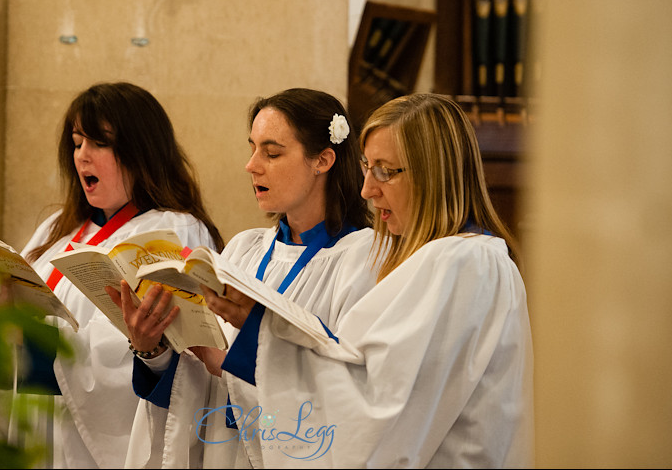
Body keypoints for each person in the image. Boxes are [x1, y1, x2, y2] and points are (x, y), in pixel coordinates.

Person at [203, 93, 534, 467]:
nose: (367, 190)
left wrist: (260, 335)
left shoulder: (462, 262)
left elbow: (372, 408)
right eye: (366, 168)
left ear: (431, 173)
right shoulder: (446, 259)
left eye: (385, 171)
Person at [0, 82, 223, 469]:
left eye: (99, 143)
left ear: (141, 151)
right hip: (36, 433)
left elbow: (125, 351)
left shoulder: (174, 230)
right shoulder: (55, 231)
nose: (82, 155)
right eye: (77, 142)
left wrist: (18, 331)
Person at [106, 87, 378, 468]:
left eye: (272, 152)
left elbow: (350, 389)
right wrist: (153, 350)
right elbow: (198, 377)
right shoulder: (243, 251)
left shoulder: (364, 258)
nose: (252, 165)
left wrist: (237, 358)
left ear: (323, 159)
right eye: (252, 148)